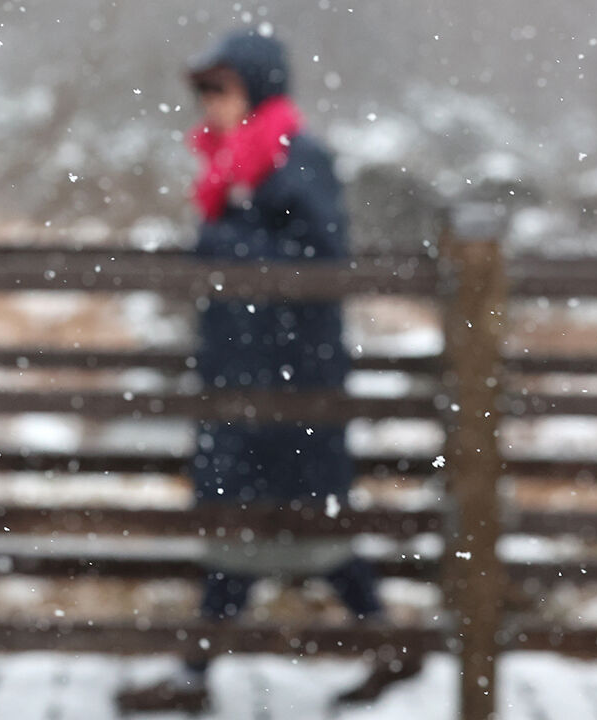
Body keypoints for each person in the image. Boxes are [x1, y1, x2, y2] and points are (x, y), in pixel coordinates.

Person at [115, 30, 423, 714]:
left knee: (293, 523)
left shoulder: (295, 159)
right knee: (254, 524)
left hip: (290, 381)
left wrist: (219, 244)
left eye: (220, 87)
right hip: (246, 376)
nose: (208, 101)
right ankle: (372, 647)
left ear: (257, 88)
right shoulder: (236, 164)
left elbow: (319, 256)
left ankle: (207, 672)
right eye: (202, 90)